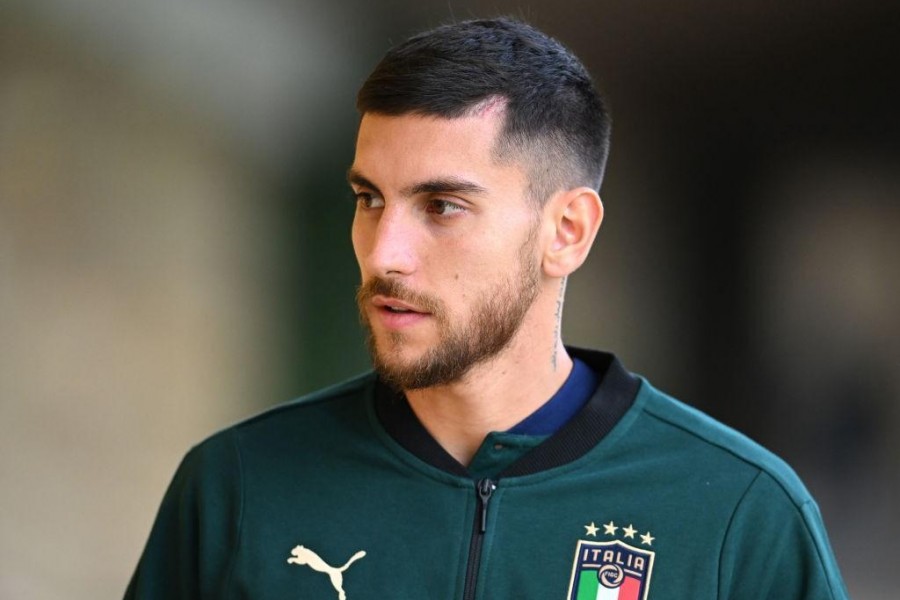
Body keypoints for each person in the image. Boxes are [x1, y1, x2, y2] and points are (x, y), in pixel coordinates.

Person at [125, 17, 848, 600]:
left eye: (441, 206)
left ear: (566, 232)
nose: (385, 254)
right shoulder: (240, 487)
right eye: (368, 199)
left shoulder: (739, 513)